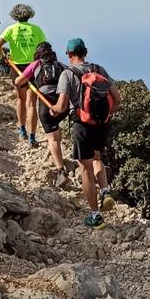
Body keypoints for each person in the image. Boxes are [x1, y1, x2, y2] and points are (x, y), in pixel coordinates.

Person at [49, 38, 120, 230]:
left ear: (69, 54)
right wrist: (105, 116)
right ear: (85, 52)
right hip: (102, 124)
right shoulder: (99, 69)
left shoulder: (67, 74)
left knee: (85, 167)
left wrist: (53, 110)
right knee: (98, 158)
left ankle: (95, 216)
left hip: (82, 124)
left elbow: (62, 106)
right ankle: (105, 191)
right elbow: (117, 98)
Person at [15, 41, 71, 179]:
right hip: (63, 104)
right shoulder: (62, 66)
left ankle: (60, 170)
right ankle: (58, 157)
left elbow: (18, 82)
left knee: (52, 138)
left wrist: (28, 81)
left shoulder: (36, 64)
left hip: (46, 106)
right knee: (56, 130)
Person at [0, 4, 47, 146]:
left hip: (17, 67)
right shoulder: (36, 29)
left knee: (20, 98)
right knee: (32, 103)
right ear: (29, 15)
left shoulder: (11, 29)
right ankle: (32, 137)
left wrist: (5, 57)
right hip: (34, 67)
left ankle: (22, 129)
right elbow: (44, 48)